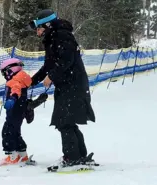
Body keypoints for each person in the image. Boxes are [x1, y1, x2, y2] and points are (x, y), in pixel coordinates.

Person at [28, 9, 97, 167]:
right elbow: (49, 65)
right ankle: (79, 156)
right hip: (68, 85)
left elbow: (67, 60)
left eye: (39, 29)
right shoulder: (53, 37)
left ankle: (72, 159)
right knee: (67, 122)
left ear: (47, 25)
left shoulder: (62, 36)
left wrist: (51, 76)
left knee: (64, 122)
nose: (37, 33)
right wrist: (32, 81)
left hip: (73, 85)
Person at [0, 58, 47, 166]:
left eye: (4, 73)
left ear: (11, 70)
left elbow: (16, 90)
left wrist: (12, 98)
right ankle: (22, 154)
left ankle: (13, 157)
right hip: (19, 111)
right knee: (15, 133)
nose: (4, 76)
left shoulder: (16, 80)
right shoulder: (22, 78)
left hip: (14, 110)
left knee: (8, 132)